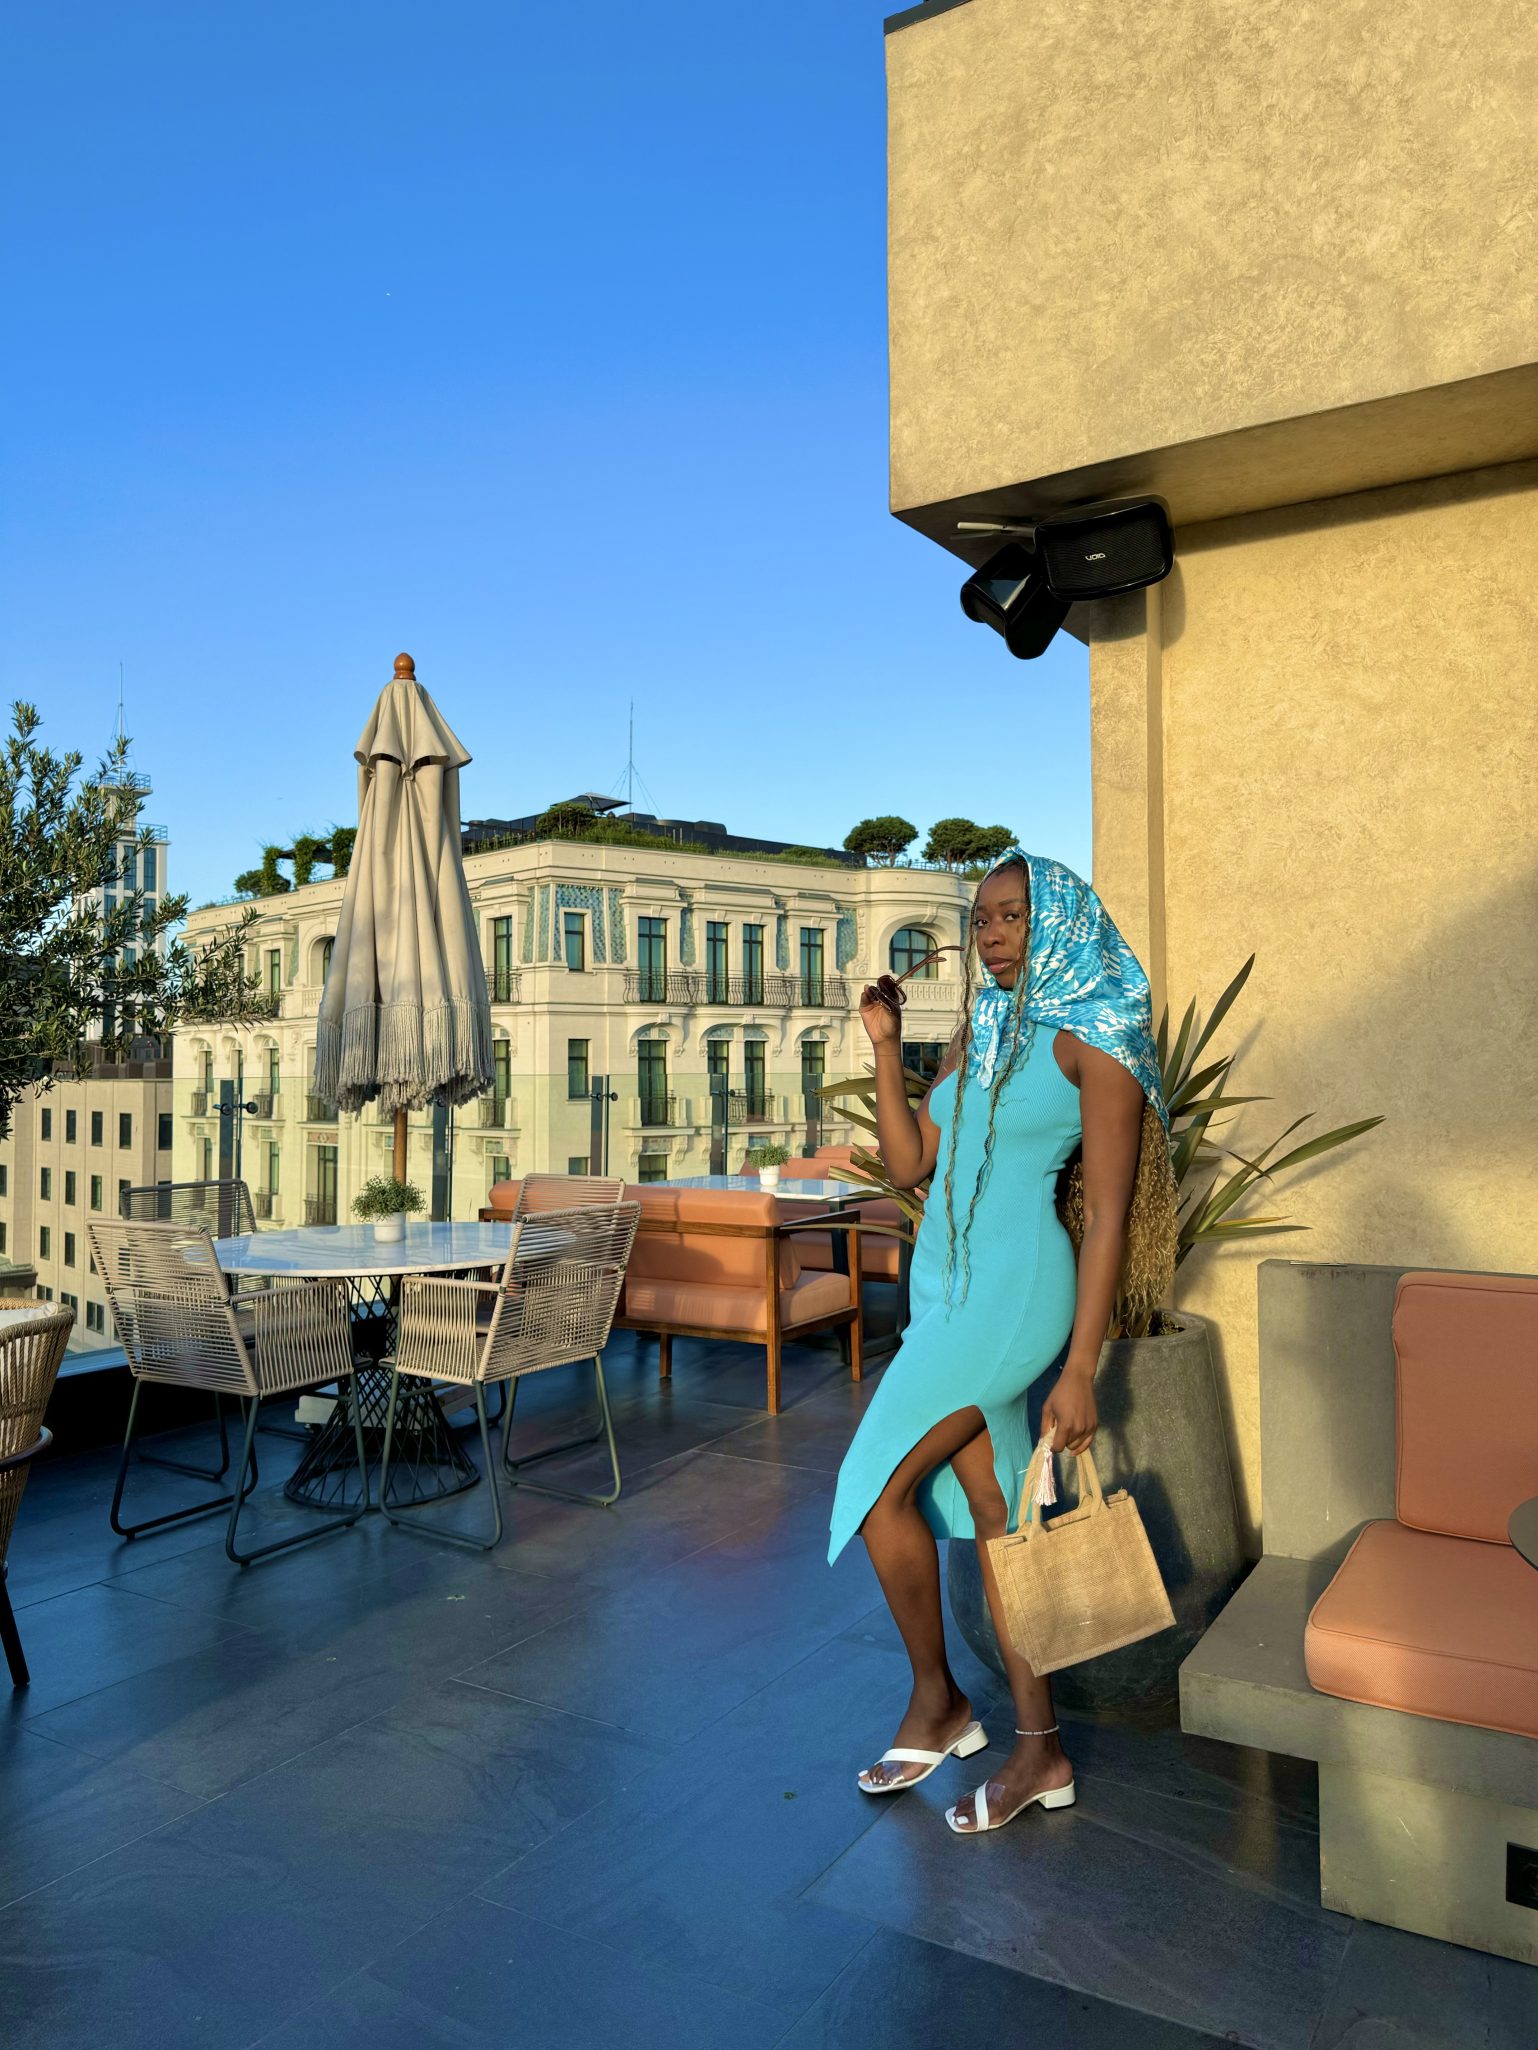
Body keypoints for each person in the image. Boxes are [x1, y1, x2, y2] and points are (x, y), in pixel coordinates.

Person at [828, 849, 1177, 1835]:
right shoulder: (978, 1029)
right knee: (996, 1511)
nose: (991, 934)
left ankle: (937, 1703)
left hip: (1015, 1294)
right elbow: (909, 1163)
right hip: (940, 1288)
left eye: (1012, 915)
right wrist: (886, 1046)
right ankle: (1038, 1748)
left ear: (1056, 918)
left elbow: (1106, 1218)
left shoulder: (1094, 1039)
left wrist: (1081, 1367)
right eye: (981, 919)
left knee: (878, 1491)